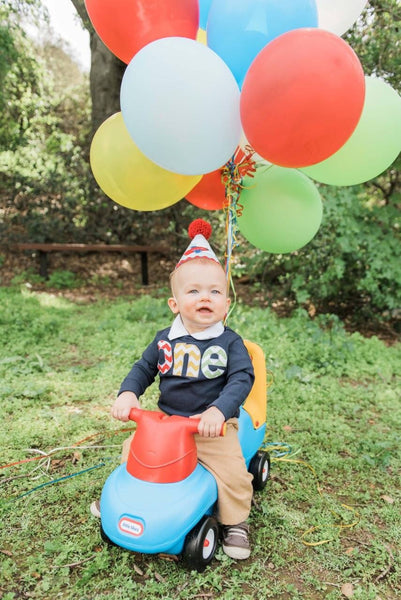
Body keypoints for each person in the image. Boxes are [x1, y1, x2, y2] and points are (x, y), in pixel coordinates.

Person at [91, 219, 255, 560]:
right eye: (193, 291)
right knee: (132, 452)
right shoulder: (165, 339)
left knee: (232, 469)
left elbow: (241, 379)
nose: (204, 297)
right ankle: (129, 498)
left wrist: (218, 411)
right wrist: (128, 393)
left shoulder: (230, 342)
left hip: (210, 427)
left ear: (226, 303)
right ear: (175, 303)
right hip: (167, 423)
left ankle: (236, 521)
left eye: (214, 291)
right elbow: (144, 368)